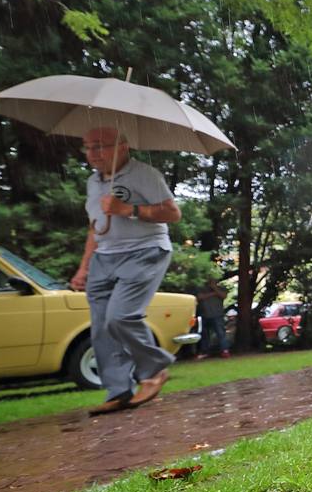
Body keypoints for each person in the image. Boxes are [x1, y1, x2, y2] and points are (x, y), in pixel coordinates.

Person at [70, 127, 181, 415]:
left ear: (123, 147)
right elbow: (95, 226)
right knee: (102, 328)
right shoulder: (93, 183)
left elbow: (172, 213)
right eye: (88, 147)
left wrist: (131, 210)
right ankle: (118, 391)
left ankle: (154, 370)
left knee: (121, 317)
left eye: (100, 146)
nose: (93, 154)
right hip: (103, 258)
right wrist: (84, 267)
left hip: (145, 251)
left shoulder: (145, 174)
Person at [195, 277, 230, 359]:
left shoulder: (221, 288)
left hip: (217, 314)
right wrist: (214, 294)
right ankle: (205, 352)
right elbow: (199, 297)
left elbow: (223, 295)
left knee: (221, 333)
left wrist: (214, 288)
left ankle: (224, 350)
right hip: (203, 314)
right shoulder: (201, 288)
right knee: (204, 334)